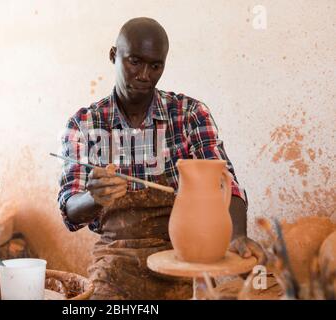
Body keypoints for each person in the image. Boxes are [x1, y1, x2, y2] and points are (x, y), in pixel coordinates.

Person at [57, 17, 264, 299]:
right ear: (113, 55)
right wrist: (95, 197)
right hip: (116, 258)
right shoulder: (83, 124)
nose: (144, 75)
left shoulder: (189, 114)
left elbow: (226, 184)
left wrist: (237, 235)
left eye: (155, 66)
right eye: (134, 62)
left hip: (184, 253)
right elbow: (70, 212)